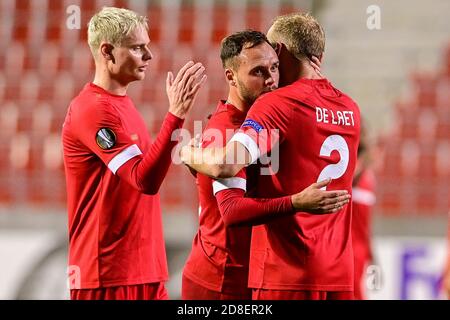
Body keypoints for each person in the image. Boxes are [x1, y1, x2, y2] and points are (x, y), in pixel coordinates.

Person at [181, 12, 360, 300]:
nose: (270, 79)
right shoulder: (349, 107)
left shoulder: (277, 107)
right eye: (258, 71)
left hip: (286, 272)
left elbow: (226, 163)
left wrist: (187, 152)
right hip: (334, 272)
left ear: (278, 51)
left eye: (274, 67)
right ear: (319, 57)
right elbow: (231, 209)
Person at [62, 7, 206, 300]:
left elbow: (146, 173)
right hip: (107, 276)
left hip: (143, 269)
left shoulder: (122, 105)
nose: (149, 56)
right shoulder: (92, 110)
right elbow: (144, 180)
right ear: (108, 52)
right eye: (138, 48)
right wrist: (176, 114)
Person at [351, 121, 376, 299]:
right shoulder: (354, 174)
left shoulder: (365, 176)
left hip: (356, 249)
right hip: (348, 248)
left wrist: (371, 252)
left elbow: (366, 224)